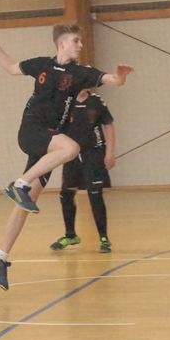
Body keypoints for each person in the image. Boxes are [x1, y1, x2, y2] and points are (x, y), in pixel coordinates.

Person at [0, 21, 133, 290]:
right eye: (76, 41)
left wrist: (121, 75)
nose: (80, 45)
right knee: (71, 149)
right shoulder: (41, 65)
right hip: (32, 131)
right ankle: (19, 184)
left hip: (49, 142)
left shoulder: (80, 73)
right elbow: (10, 67)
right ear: (62, 43)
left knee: (26, 204)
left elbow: (114, 81)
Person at [50, 87, 116, 253]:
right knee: (66, 194)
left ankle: (104, 238)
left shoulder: (96, 101)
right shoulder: (67, 102)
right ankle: (70, 235)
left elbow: (108, 125)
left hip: (94, 153)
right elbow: (56, 127)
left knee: (95, 194)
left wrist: (109, 153)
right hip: (72, 154)